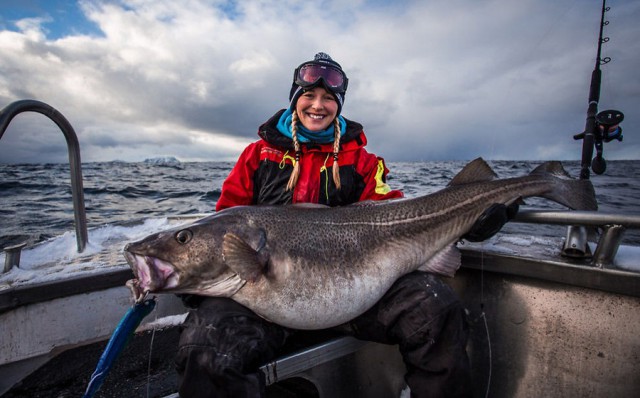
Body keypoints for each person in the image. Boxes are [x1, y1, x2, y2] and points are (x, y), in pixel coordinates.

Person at [176, 52, 516, 398]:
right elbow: (224, 224)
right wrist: (192, 270)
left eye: (328, 98)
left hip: (355, 294)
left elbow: (396, 214)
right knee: (206, 345)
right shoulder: (257, 155)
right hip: (262, 299)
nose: (317, 105)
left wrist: (469, 222)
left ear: (339, 105)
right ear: (295, 100)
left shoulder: (364, 163)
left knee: (435, 307)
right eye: (309, 96)